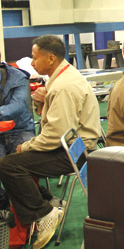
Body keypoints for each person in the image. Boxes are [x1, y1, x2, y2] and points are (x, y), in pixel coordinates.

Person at [0, 35, 101, 249]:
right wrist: (42, 103)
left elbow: (55, 135)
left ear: (51, 58)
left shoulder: (63, 86)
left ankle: (44, 213)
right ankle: (49, 202)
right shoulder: (61, 77)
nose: (32, 63)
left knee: (9, 165)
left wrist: (27, 146)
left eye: (35, 58)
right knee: (13, 162)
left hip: (74, 152)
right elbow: (54, 122)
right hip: (73, 145)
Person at [0, 53, 36, 209]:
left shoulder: (18, 76)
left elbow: (18, 106)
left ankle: (37, 202)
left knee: (22, 163)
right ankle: (4, 206)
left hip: (20, 130)